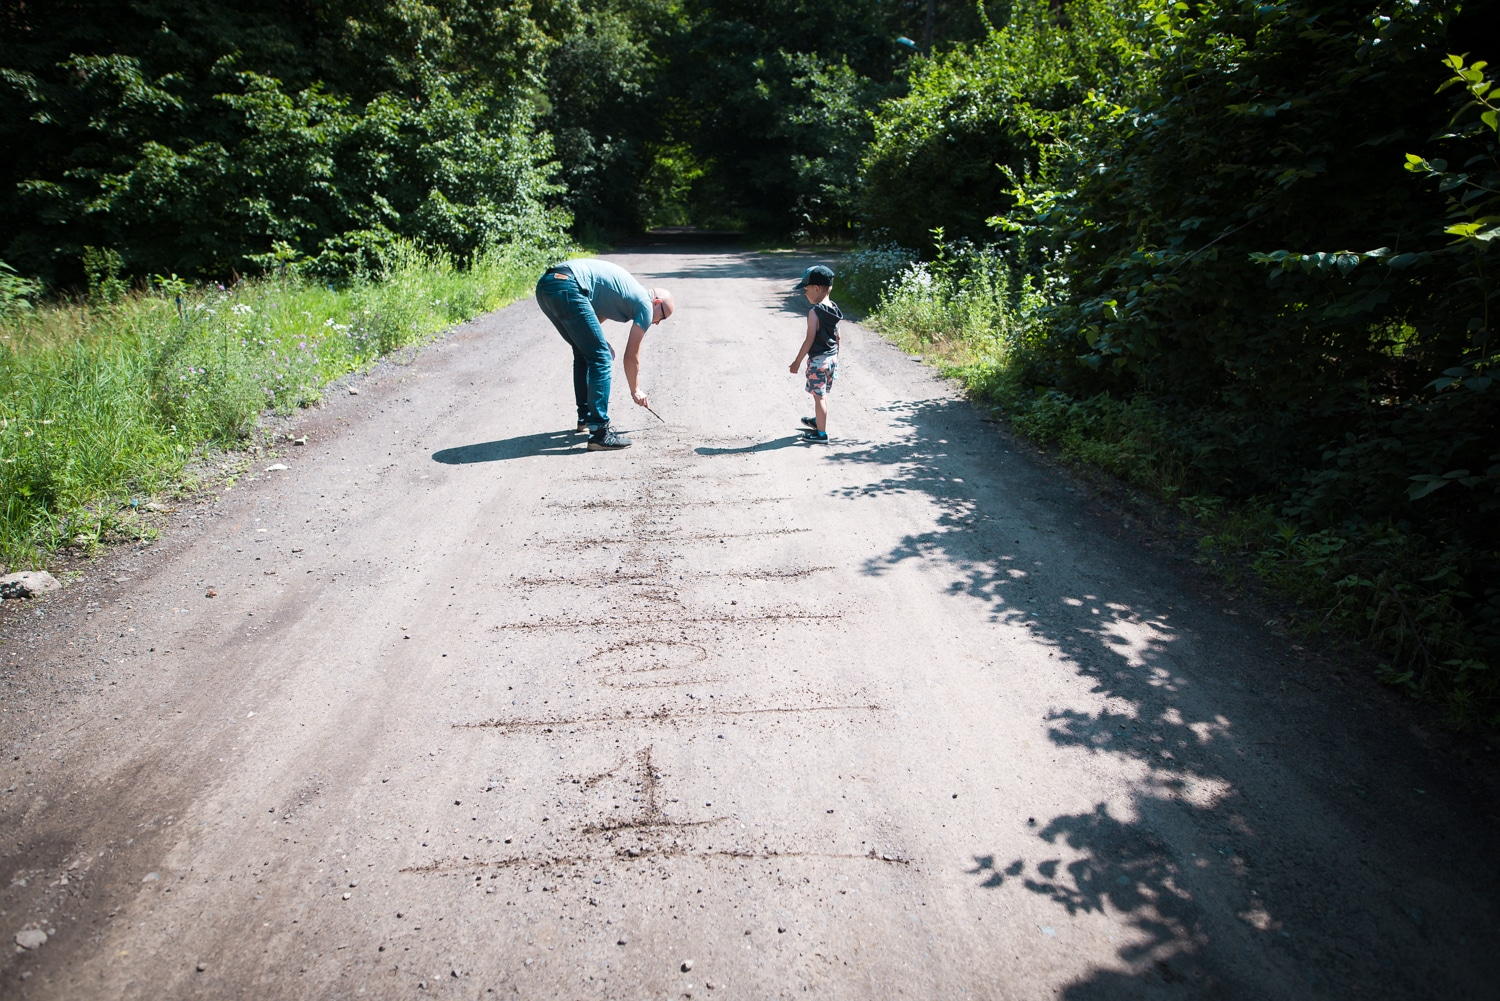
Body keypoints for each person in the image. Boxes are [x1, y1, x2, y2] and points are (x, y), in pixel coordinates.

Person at [534, 258, 674, 451]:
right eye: (663, 317)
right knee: (601, 358)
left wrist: (600, 345)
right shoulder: (645, 305)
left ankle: (585, 418)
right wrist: (636, 390)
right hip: (568, 285)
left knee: (585, 352)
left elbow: (590, 326)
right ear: (657, 303)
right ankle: (599, 433)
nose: (657, 323)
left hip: (548, 285)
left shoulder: (625, 294)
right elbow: (631, 355)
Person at [787, 265, 843, 442]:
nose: (804, 293)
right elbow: (838, 337)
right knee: (821, 394)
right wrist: (836, 359)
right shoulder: (834, 308)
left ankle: (821, 434)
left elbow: (809, 340)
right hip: (831, 360)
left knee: (819, 398)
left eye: (806, 289)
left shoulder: (814, 312)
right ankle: (819, 422)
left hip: (818, 362)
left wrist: (796, 362)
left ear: (817, 288)